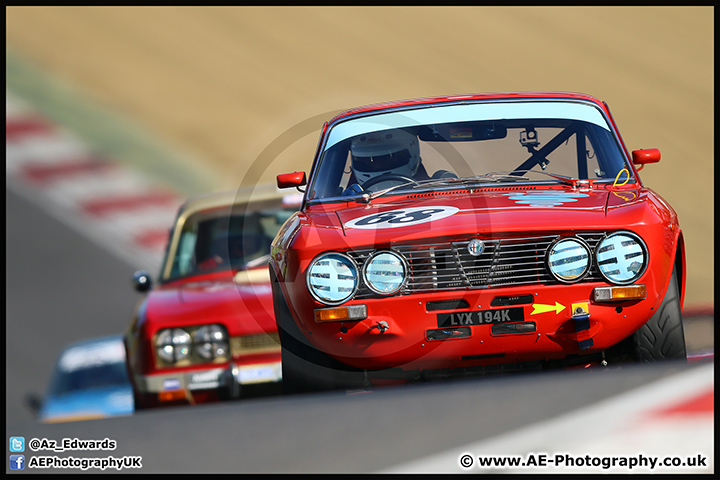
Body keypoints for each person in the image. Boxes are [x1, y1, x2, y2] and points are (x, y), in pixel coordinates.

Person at [344, 129, 455, 194]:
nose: (378, 164)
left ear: (411, 154)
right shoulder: (346, 200)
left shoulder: (438, 190)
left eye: (389, 158)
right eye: (369, 161)